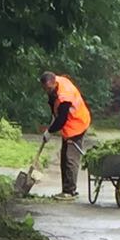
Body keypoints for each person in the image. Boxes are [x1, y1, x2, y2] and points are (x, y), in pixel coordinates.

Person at [39, 70, 92, 199]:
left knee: (70, 158)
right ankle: (66, 189)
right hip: (69, 125)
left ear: (53, 83)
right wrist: (52, 119)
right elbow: (54, 107)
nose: (47, 91)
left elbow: (62, 119)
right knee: (64, 157)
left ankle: (70, 191)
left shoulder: (65, 94)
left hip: (77, 124)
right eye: (45, 89)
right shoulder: (55, 84)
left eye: (49, 89)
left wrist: (50, 131)